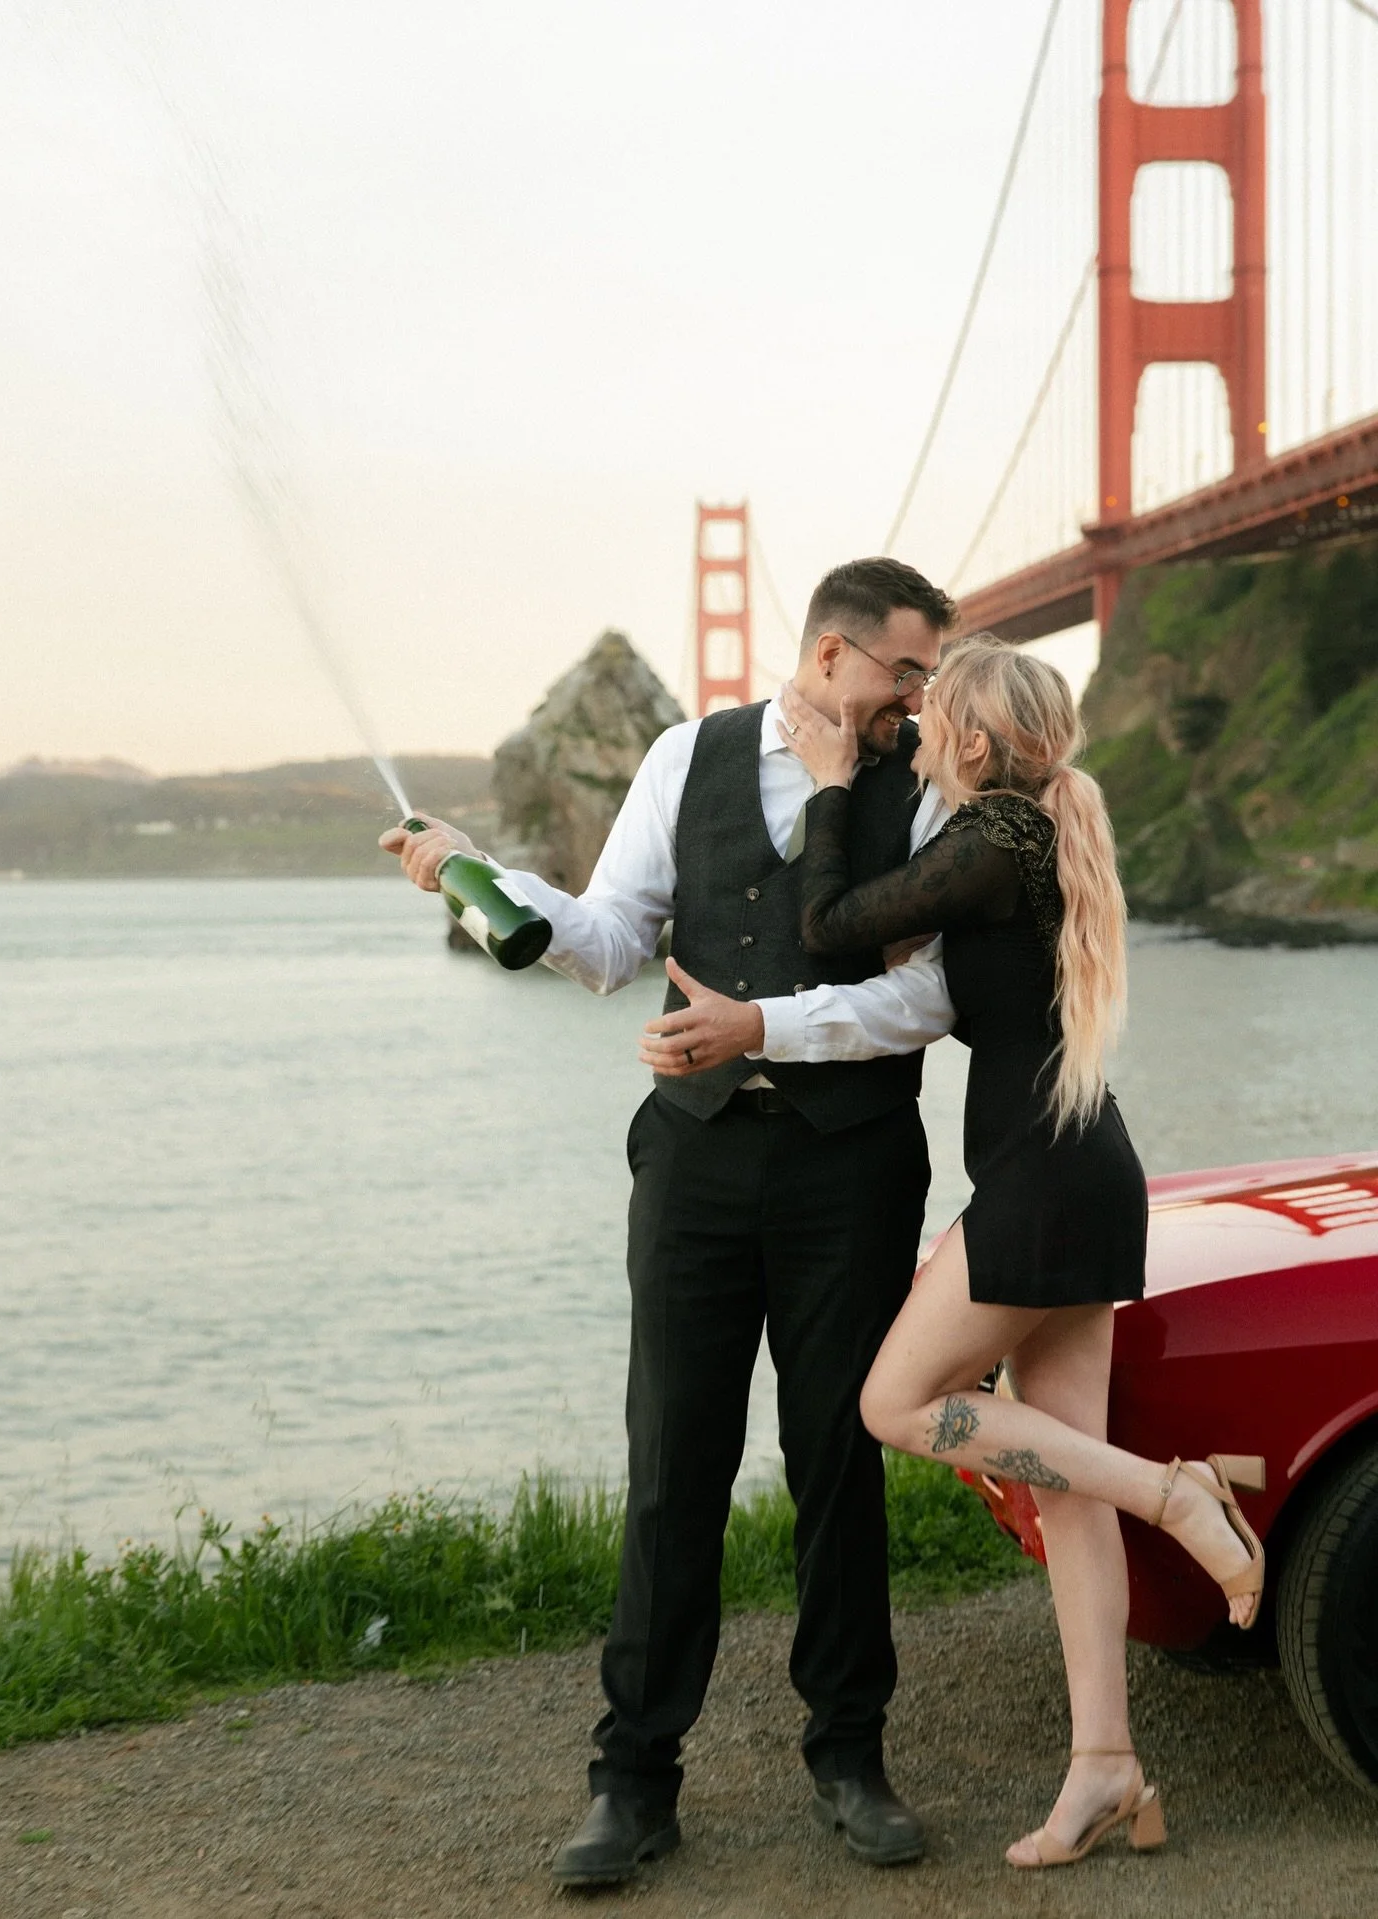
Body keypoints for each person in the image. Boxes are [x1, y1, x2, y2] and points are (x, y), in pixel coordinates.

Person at [381, 558, 959, 1885]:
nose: (918, 697)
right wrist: (477, 871)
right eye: (904, 669)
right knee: (670, 1466)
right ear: (827, 656)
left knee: (837, 1462)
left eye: (927, 674)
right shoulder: (682, 758)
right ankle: (633, 1776)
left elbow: (926, 1000)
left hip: (852, 1167)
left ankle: (850, 1752)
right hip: (694, 1168)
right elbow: (601, 937)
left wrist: (768, 1027)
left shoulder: (925, 787)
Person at [733, 637, 1263, 1869]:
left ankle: (1177, 1492)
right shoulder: (1038, 829)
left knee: (893, 1400)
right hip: (1079, 1164)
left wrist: (822, 782)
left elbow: (830, 923)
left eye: (931, 727)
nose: (912, 739)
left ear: (974, 743)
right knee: (1061, 1484)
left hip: (1040, 1175)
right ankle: (1106, 1767)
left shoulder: (993, 841)